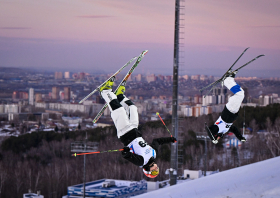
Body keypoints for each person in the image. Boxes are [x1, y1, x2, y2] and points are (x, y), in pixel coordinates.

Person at [99, 77, 177, 178]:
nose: (156, 169)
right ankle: (119, 96)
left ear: (148, 170)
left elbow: (128, 156)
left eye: (154, 172)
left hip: (125, 133)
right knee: (133, 108)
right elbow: (157, 141)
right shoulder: (153, 154)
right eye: (157, 171)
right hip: (134, 129)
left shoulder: (141, 161)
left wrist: (126, 152)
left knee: (119, 111)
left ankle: (105, 91)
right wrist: (170, 140)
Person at [206, 71, 247, 144]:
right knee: (241, 94)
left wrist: (213, 139)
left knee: (240, 94)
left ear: (216, 135)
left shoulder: (217, 128)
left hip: (230, 109)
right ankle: (230, 79)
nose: (219, 138)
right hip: (234, 111)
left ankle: (227, 81)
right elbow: (234, 129)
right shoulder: (225, 130)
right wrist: (240, 138)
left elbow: (209, 129)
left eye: (218, 138)